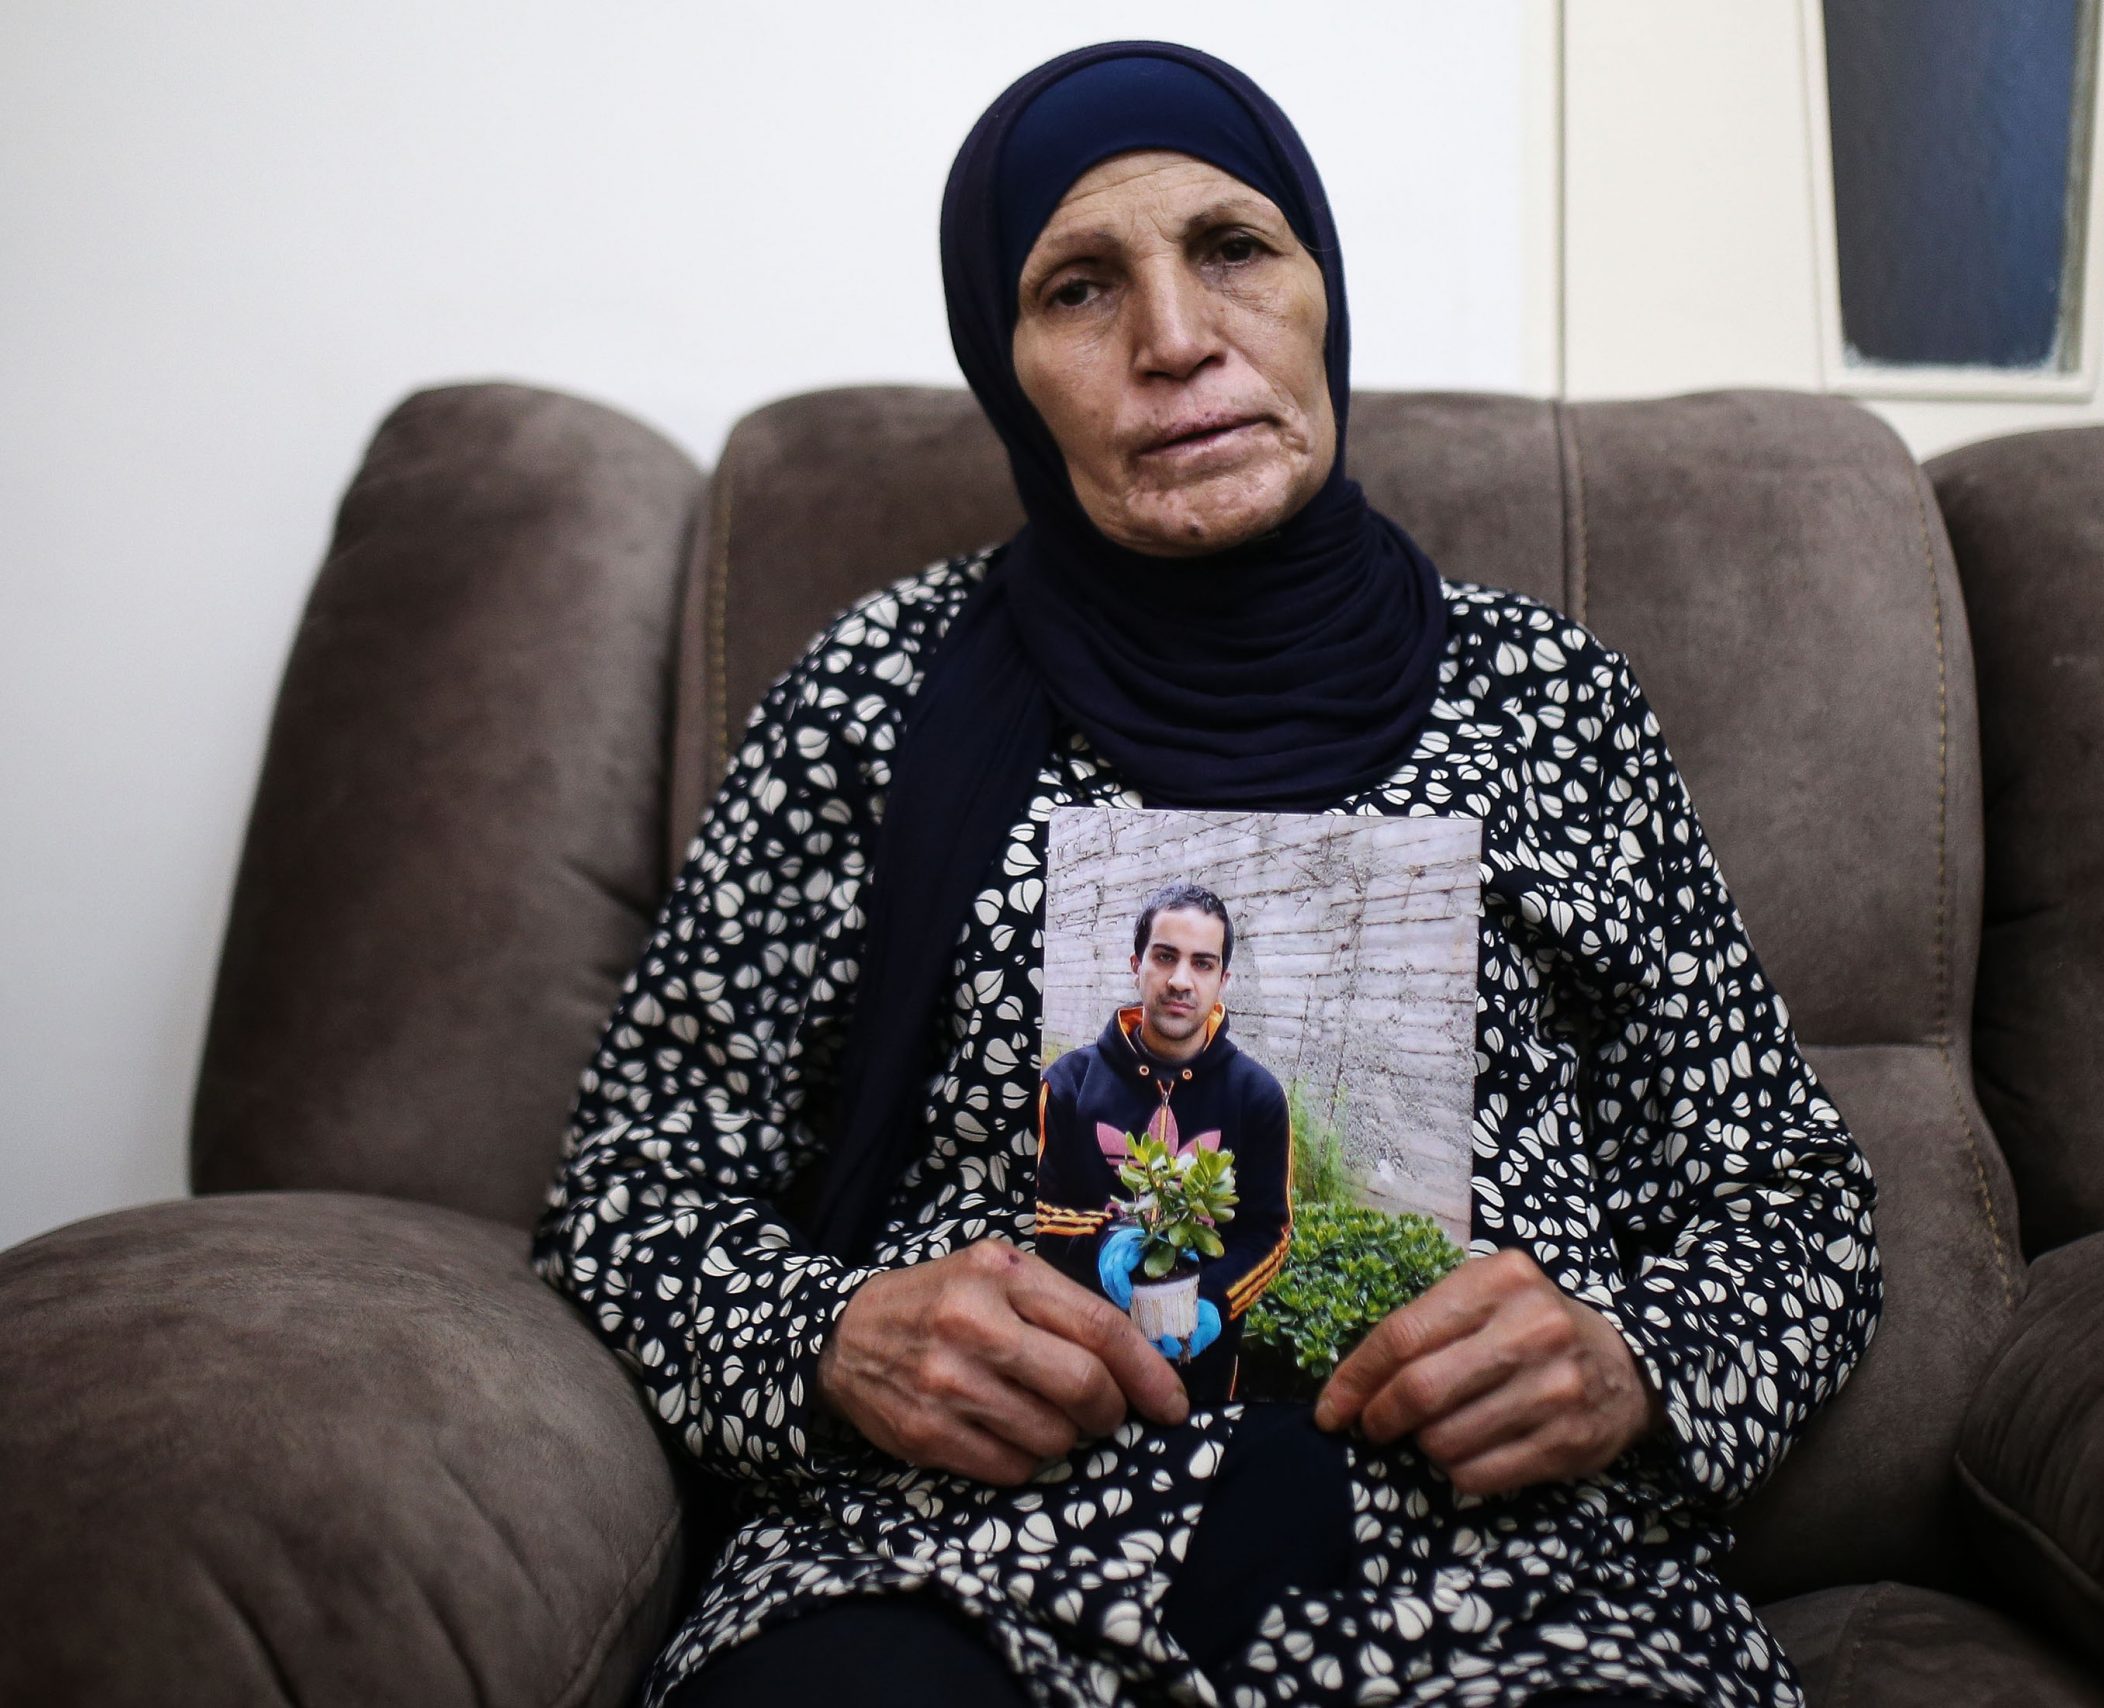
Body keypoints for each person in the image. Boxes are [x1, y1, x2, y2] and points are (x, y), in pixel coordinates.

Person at [532, 38, 1880, 1708]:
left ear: (1320, 286)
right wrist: (835, 1332)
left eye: (1234, 249)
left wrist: (1631, 1364)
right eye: (1082, 290)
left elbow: (1790, 1197)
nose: (1177, 340)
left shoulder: (1553, 704)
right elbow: (628, 1186)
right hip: (974, 1563)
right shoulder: (878, 699)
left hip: (1517, 1588)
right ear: (1006, 367)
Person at [1035, 881, 1294, 1407]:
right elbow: (1034, 1213)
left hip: (1201, 1369)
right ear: (1137, 964)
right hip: (1078, 1356)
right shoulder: (1066, 1083)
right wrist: (1104, 1241)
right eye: (1165, 956)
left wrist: (1215, 1303)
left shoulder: (1259, 1097)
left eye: (1202, 964)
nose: (1180, 980)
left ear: (1224, 980)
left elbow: (1271, 1232)